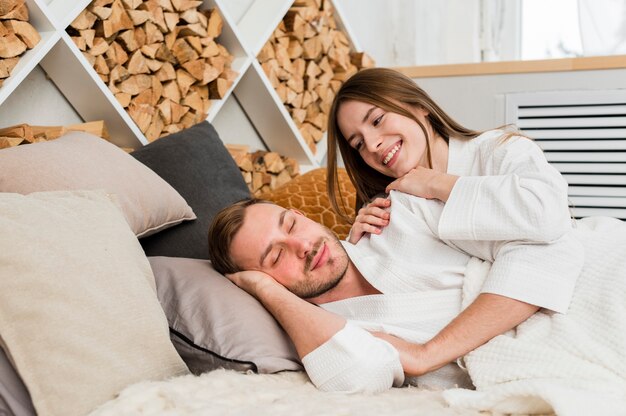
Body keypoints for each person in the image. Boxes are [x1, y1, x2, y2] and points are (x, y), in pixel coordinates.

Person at [207, 192, 584, 392]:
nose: (301, 245)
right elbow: (358, 376)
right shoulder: (334, 331)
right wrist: (266, 292)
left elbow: (546, 238)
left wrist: (426, 355)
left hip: (594, 274)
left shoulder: (397, 216)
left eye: (291, 224)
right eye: (276, 256)